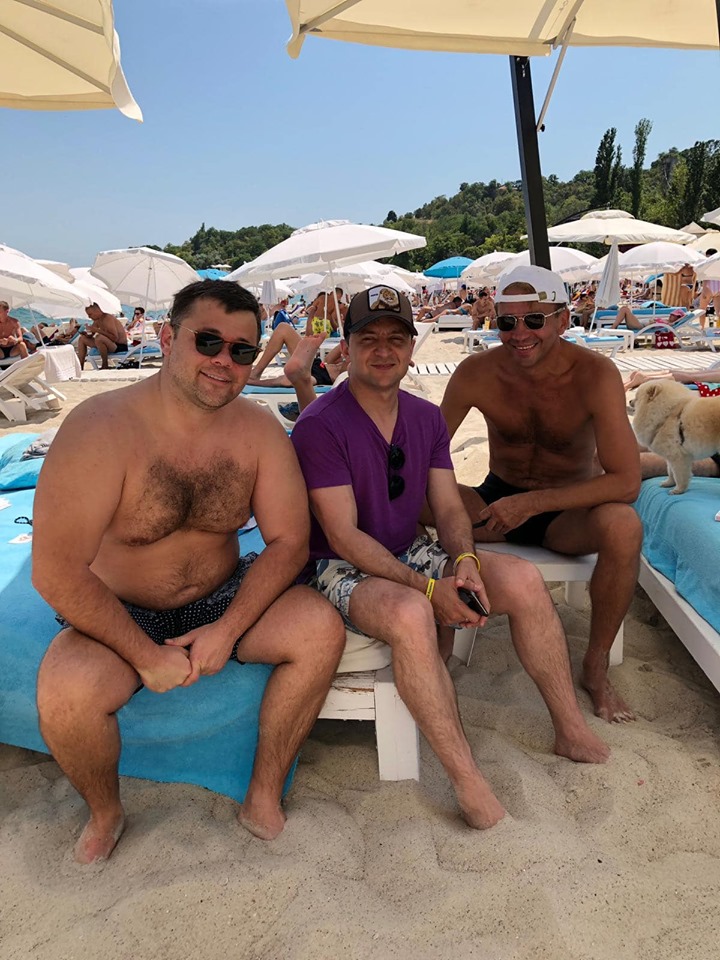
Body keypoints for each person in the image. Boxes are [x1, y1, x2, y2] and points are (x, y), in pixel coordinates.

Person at [33, 279, 346, 864]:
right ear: (167, 338)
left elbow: (288, 542)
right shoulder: (101, 429)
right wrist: (146, 656)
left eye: (242, 350)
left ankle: (262, 794)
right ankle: (106, 813)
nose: (224, 361)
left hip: (222, 596)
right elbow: (55, 572)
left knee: (318, 629)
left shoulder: (257, 431)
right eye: (208, 342)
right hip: (123, 609)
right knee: (66, 693)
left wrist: (227, 630)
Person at [291, 285, 609, 831]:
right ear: (346, 347)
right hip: (334, 565)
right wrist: (428, 588)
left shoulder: (424, 418)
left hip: (407, 547)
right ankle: (467, 780)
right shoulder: (321, 424)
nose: (384, 350)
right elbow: (342, 537)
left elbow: (447, 507)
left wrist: (464, 562)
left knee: (524, 580)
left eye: (396, 339)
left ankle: (570, 727)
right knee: (411, 613)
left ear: (412, 346)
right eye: (369, 339)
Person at [439, 265, 642, 724]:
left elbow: (626, 481)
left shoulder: (595, 374)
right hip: (494, 504)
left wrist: (532, 504)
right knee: (408, 497)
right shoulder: (477, 372)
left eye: (534, 319)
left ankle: (595, 666)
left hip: (565, 513)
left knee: (624, 524)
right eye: (506, 322)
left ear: (563, 320)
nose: (519, 333)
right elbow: (427, 455)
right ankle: (440, 636)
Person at [75, 303, 129, 369]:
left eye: (90, 314)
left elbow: (114, 338)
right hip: (109, 344)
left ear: (97, 311)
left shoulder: (108, 318)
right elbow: (92, 334)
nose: (89, 317)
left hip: (119, 346)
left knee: (99, 338)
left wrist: (97, 330)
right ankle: (80, 367)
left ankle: (105, 365)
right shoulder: (97, 320)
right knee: (82, 339)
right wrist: (86, 334)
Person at [699, 249, 720, 331]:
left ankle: (702, 329)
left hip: (708, 286)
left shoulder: (706, 263)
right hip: (718, 286)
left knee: (702, 310)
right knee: (718, 311)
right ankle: (719, 328)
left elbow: (703, 276)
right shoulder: (718, 263)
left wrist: (704, 288)